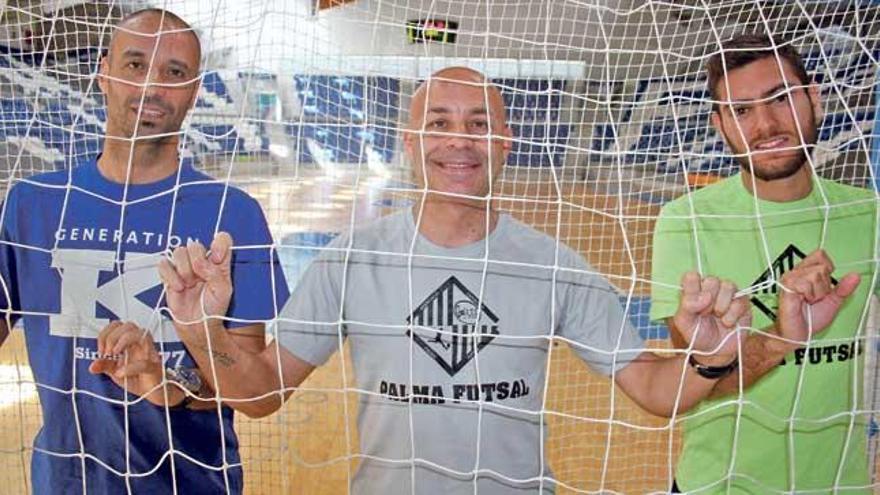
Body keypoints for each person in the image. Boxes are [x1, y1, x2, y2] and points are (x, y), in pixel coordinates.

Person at [98, 67, 849, 494]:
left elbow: (655, 394)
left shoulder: (551, 260)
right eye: (441, 122)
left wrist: (709, 355)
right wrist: (201, 328)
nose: (461, 139)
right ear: (411, 140)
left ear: (506, 138)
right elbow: (261, 397)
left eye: (480, 121)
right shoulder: (354, 258)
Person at [0, 9, 288, 494]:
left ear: (195, 91)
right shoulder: (32, 204)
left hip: (192, 483)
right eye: (135, 65)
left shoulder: (233, 214)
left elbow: (251, 387)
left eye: (174, 72)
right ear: (103, 73)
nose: (152, 87)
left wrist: (172, 384)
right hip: (66, 484)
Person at [650, 33, 876, 494]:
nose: (766, 124)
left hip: (840, 486)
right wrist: (783, 337)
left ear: (814, 98)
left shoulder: (868, 214)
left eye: (780, 98)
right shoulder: (687, 221)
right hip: (718, 486)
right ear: (720, 124)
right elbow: (697, 383)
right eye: (742, 110)